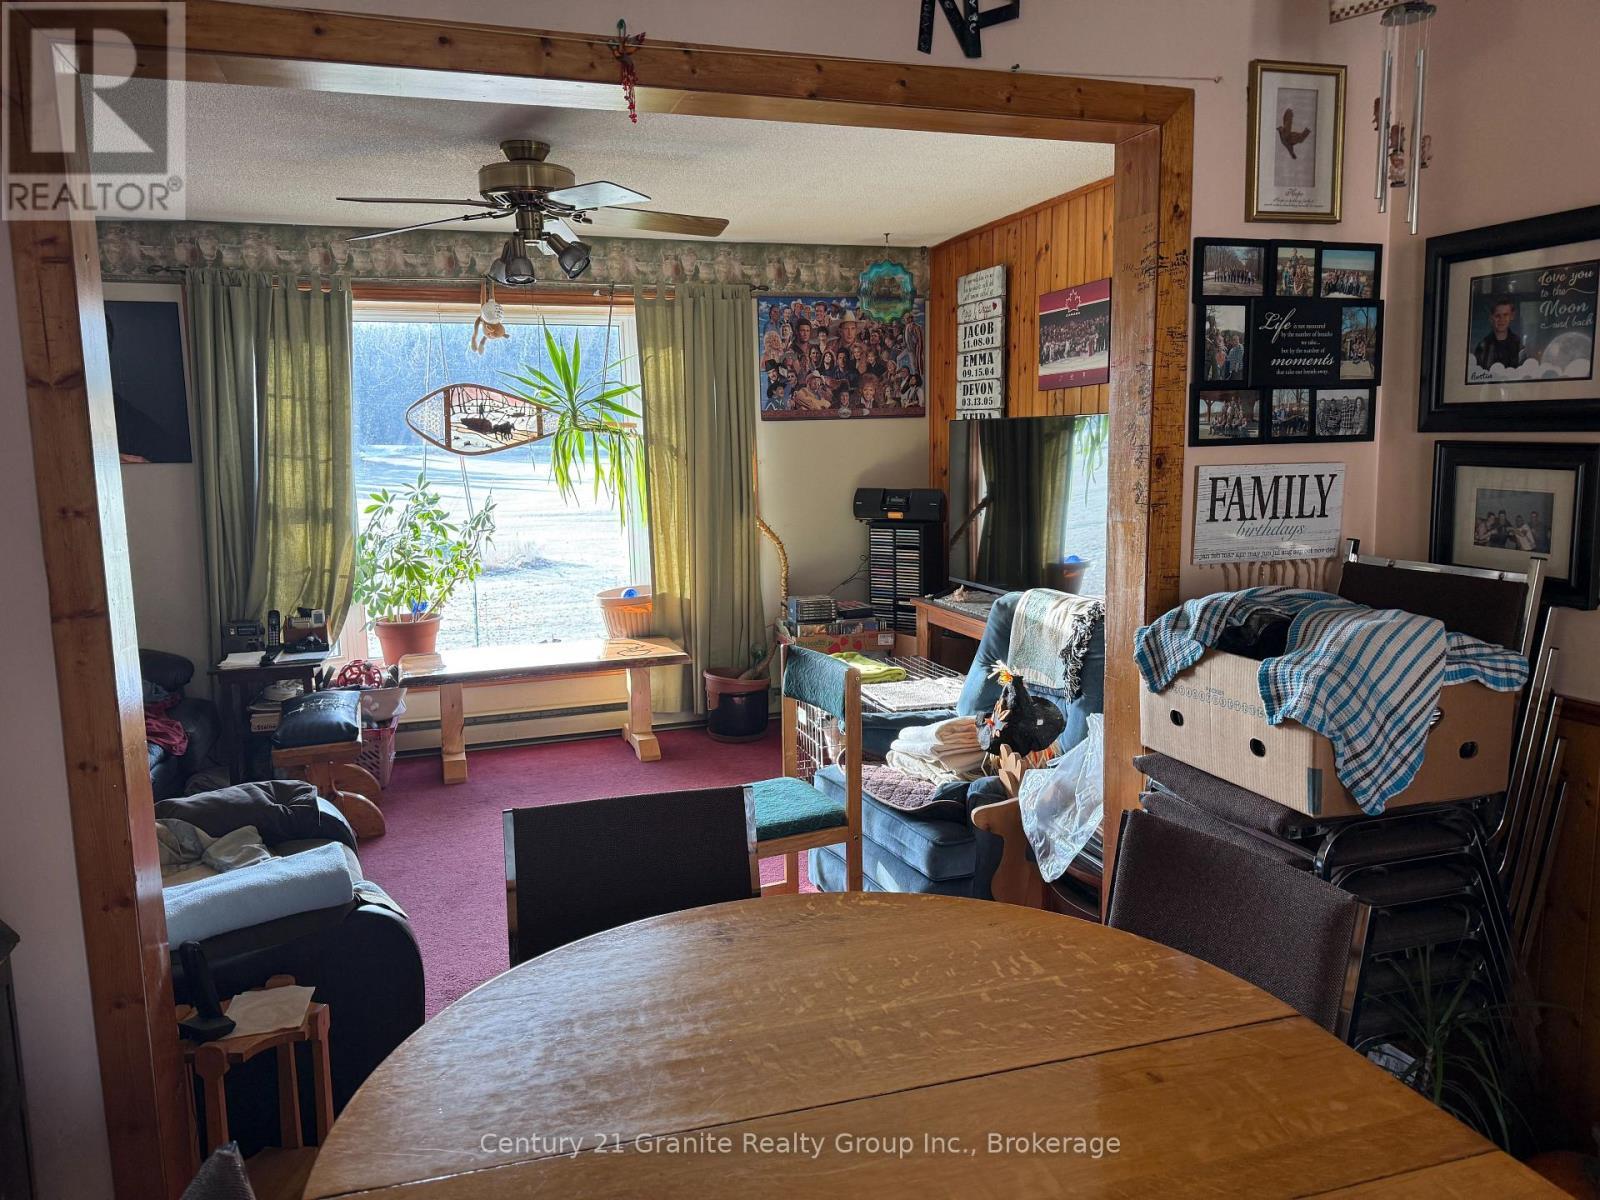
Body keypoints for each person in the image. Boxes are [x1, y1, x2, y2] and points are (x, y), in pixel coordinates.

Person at [1474, 296, 1526, 373]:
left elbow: (1523, 372)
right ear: (1491, 318)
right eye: (1497, 315)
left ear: (1512, 316)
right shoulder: (1483, 346)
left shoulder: (1519, 345)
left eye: (1505, 315)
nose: (1502, 319)